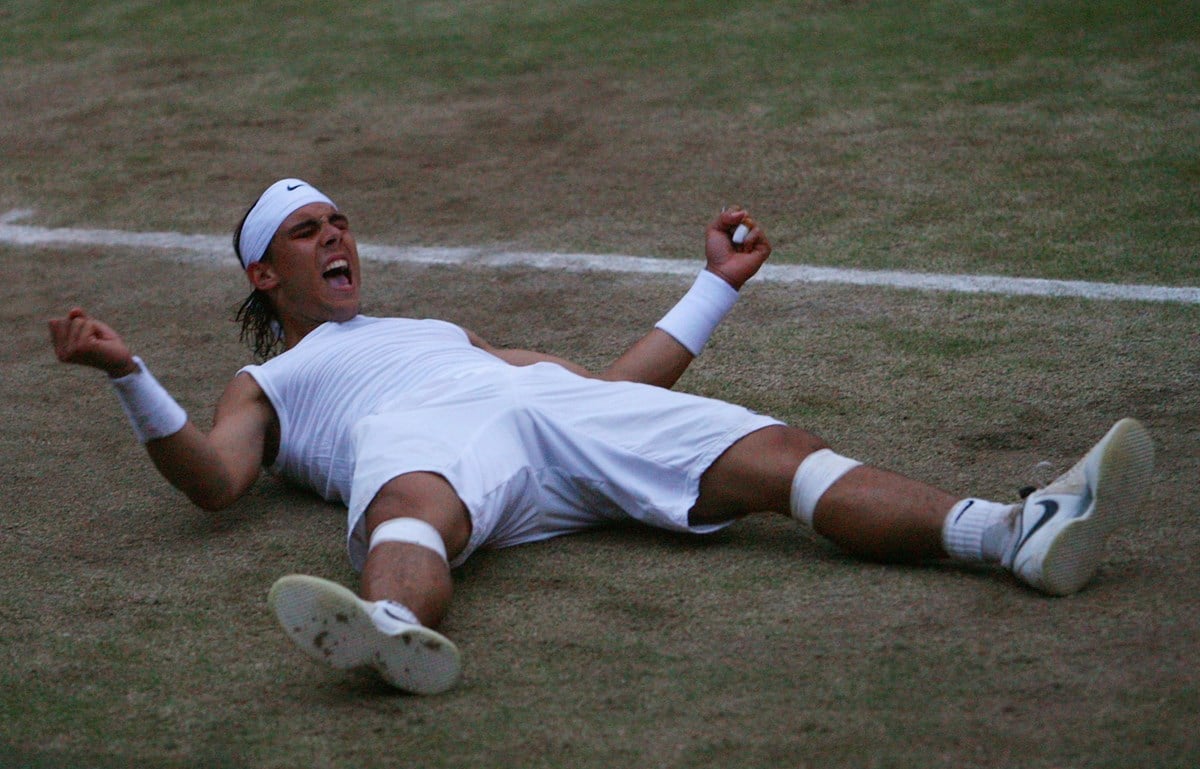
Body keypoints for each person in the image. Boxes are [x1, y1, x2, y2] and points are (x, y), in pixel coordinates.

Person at [48, 179, 1155, 695]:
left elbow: (606, 390)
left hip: (543, 414)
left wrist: (712, 291)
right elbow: (212, 478)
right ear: (264, 272)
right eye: (306, 229)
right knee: (412, 509)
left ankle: (1010, 530)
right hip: (419, 439)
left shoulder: (439, 327)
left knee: (774, 454)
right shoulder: (269, 376)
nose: (336, 234)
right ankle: (389, 628)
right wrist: (130, 373)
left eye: (338, 218)